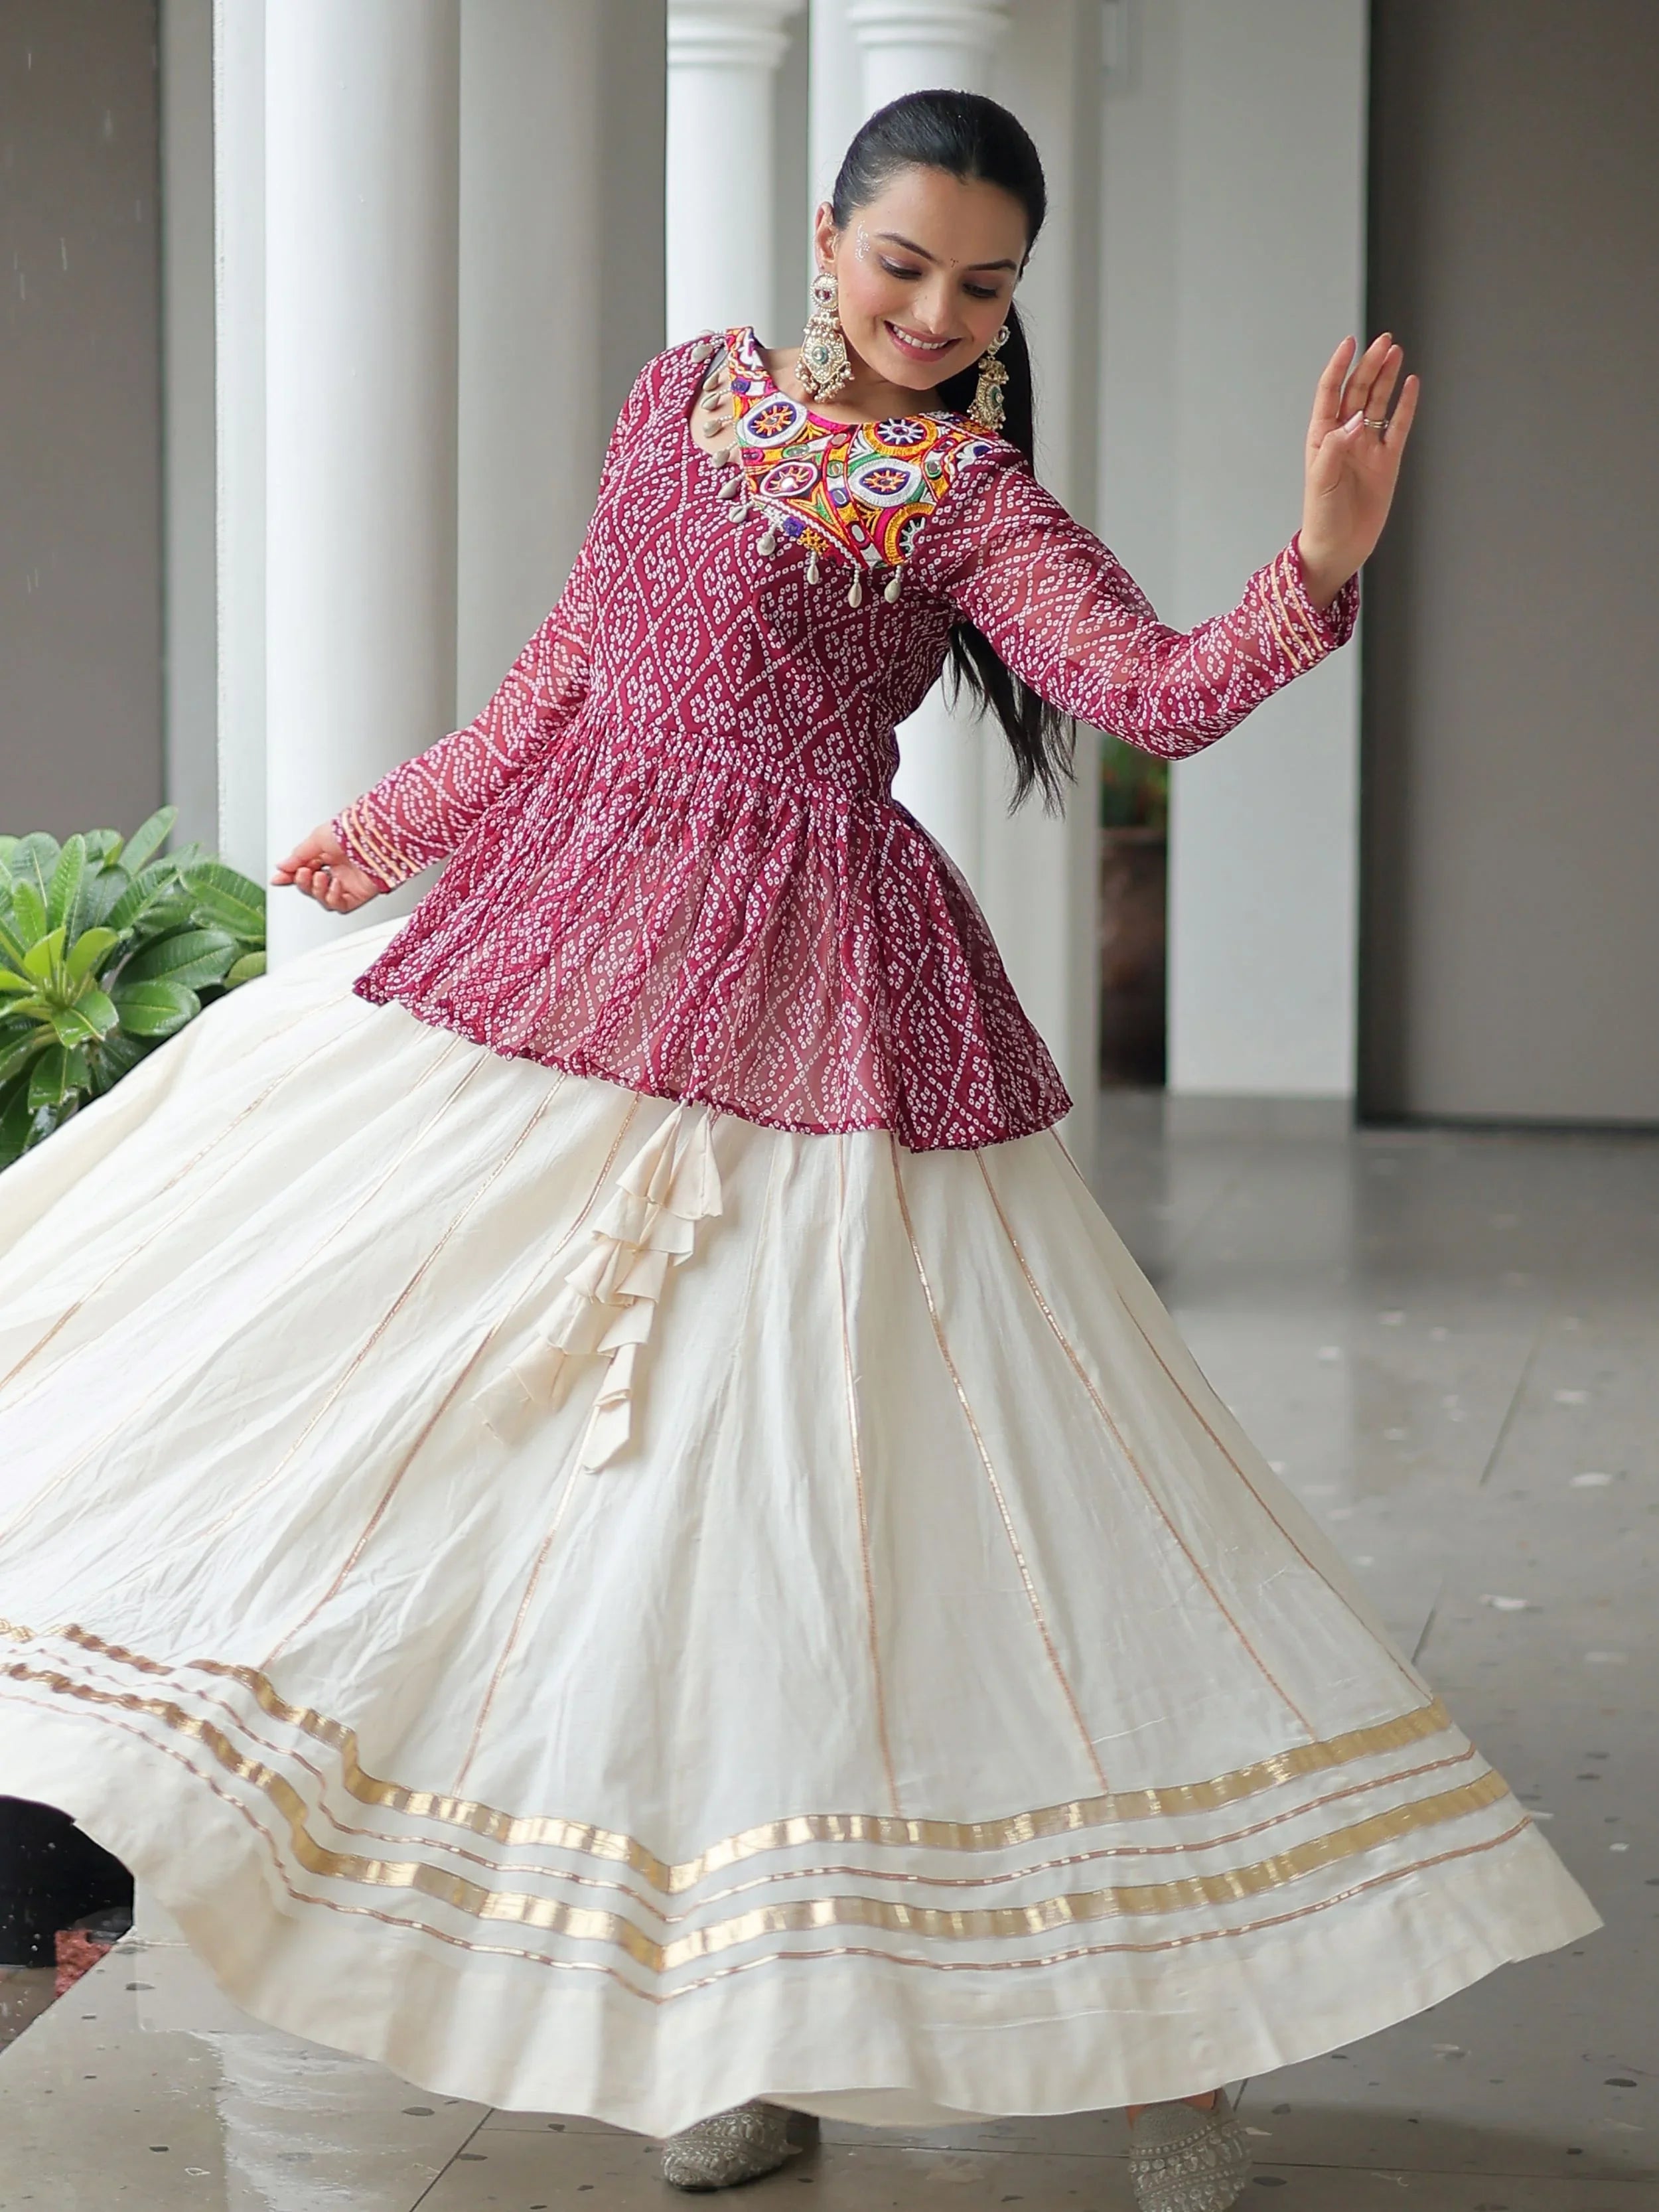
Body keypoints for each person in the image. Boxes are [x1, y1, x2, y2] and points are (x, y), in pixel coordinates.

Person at [0, 90, 1597, 2206]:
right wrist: (394, 827)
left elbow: (1161, 692)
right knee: (602, 1514)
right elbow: (570, 674)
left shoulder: (963, 501)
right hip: (569, 953)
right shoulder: (682, 397)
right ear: (823, 234)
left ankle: (1174, 2040)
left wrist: (1314, 561)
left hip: (828, 1017)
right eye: (904, 261)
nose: (937, 311)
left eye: (986, 284)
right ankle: (735, 2026)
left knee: (889, 1512)